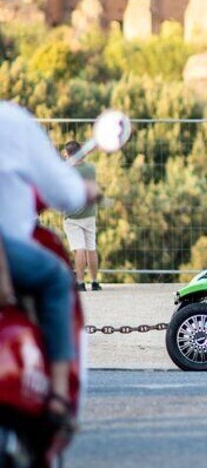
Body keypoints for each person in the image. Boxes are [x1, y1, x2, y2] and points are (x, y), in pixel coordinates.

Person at [0, 101, 99, 426]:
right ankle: (58, 395)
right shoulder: (11, 119)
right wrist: (83, 190)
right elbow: (62, 192)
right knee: (56, 278)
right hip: (9, 250)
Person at [62, 140, 101, 291]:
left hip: (73, 216)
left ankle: (80, 282)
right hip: (89, 214)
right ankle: (95, 281)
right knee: (91, 248)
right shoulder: (91, 169)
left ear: (68, 154)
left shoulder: (67, 170)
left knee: (79, 248)